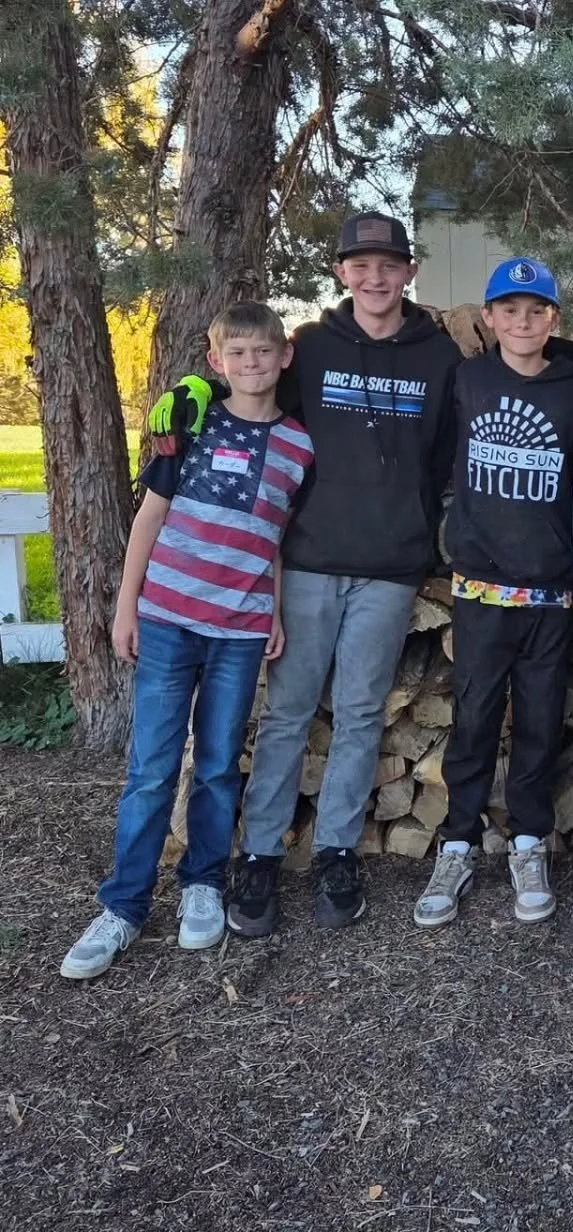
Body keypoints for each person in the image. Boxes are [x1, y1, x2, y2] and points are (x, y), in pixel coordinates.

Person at [148, 212, 463, 935]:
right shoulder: (312, 347)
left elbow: (445, 454)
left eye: (389, 264)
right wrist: (191, 391)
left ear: (410, 272)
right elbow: (248, 396)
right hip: (310, 560)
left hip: (390, 565)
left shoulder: (440, 357)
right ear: (341, 273)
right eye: (361, 264)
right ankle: (260, 855)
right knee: (288, 713)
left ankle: (336, 852)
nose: (375, 277)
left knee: (360, 714)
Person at [61, 303, 313, 979]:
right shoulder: (192, 424)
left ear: (284, 356)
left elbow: (276, 537)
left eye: (263, 351)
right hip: (169, 620)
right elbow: (150, 518)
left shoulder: (298, 446)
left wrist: (273, 611)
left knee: (219, 765)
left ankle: (202, 882)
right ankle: (124, 905)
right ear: (216, 361)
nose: (251, 363)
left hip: (240, 629)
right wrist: (127, 609)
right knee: (151, 769)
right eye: (238, 353)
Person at [414, 259, 573, 929]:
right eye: (509, 310)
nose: (523, 322)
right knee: (475, 715)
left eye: (537, 310)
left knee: (540, 721)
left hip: (549, 586)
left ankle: (528, 840)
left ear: (554, 319)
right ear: (488, 318)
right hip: (481, 584)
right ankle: (457, 842)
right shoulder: (469, 379)